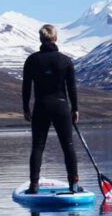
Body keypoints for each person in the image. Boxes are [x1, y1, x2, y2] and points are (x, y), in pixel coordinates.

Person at [22, 24, 81, 194]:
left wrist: (26, 108)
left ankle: (34, 185)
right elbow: (72, 88)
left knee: (37, 146)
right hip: (62, 106)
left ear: (40, 39)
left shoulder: (32, 60)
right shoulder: (65, 60)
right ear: (55, 38)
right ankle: (74, 185)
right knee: (68, 145)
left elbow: (26, 87)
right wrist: (75, 108)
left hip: (41, 106)